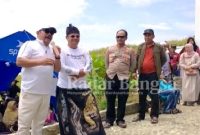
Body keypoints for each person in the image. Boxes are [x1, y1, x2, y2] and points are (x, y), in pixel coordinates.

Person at [56, 24, 106, 135]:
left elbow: (89, 64)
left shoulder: (84, 51)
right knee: (69, 119)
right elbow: (62, 67)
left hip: (83, 88)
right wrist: (77, 72)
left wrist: (82, 73)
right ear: (67, 37)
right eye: (72, 36)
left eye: (77, 36)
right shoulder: (63, 51)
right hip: (66, 89)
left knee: (92, 115)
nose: (75, 38)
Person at [16, 27, 61, 135]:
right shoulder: (30, 44)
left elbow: (57, 69)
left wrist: (57, 56)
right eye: (47, 31)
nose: (49, 34)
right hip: (30, 91)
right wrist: (41, 61)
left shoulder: (51, 49)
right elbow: (19, 61)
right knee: (24, 125)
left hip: (45, 93)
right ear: (38, 33)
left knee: (39, 125)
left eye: (52, 33)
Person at [132, 29, 166, 124]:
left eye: (149, 35)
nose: (147, 37)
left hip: (153, 75)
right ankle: (141, 115)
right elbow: (136, 59)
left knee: (154, 95)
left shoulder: (158, 47)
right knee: (142, 95)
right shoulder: (141, 46)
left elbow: (163, 59)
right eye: (145, 35)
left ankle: (154, 115)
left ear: (153, 36)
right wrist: (134, 71)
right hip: (142, 75)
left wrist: (157, 67)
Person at [103, 29, 135, 128]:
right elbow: (106, 63)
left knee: (122, 99)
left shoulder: (130, 50)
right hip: (111, 77)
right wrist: (109, 71)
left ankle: (120, 120)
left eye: (122, 36)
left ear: (126, 38)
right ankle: (109, 120)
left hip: (124, 77)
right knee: (110, 99)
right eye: (118, 36)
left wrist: (128, 72)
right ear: (116, 37)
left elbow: (133, 64)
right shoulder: (110, 49)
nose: (120, 38)